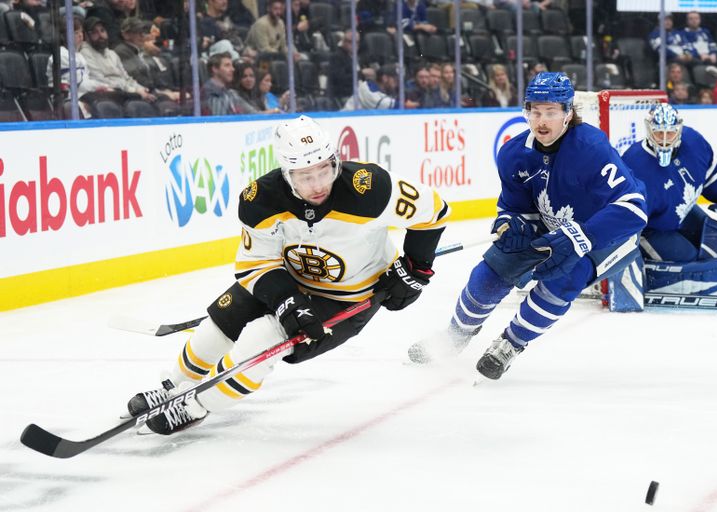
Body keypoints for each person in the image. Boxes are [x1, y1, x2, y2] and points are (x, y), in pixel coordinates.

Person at [127, 115, 451, 434]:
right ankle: (176, 386)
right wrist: (287, 301)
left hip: (348, 298)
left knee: (261, 339)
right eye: (305, 176)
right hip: (287, 280)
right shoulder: (261, 200)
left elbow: (434, 209)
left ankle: (196, 405)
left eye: (325, 170)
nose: (319, 184)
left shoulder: (370, 188)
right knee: (215, 329)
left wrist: (416, 269)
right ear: (286, 173)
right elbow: (256, 265)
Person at [408, 72, 647, 380]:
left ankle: (511, 343)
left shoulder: (591, 149)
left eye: (550, 112)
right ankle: (455, 334)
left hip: (604, 234)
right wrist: (510, 220)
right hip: (552, 226)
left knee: (563, 279)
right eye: (535, 112)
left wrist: (582, 235)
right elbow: (514, 205)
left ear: (568, 114)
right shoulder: (514, 154)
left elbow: (633, 208)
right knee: (490, 273)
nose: (542, 121)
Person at [607, 103, 717, 311]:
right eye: (659, 133)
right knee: (691, 262)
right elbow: (625, 221)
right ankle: (656, 276)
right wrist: (626, 266)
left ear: (680, 130)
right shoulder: (635, 164)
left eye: (670, 133)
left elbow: (714, 184)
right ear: (649, 130)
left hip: (683, 214)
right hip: (652, 230)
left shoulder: (695, 143)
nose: (665, 140)